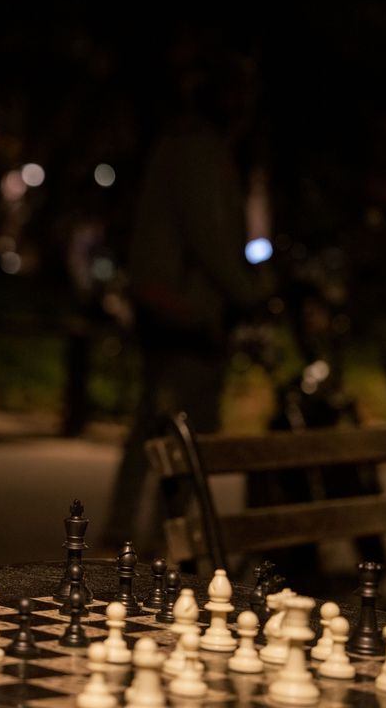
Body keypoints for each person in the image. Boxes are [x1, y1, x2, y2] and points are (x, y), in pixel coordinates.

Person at [100, 47, 270, 554]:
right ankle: (153, 542)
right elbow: (208, 236)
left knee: (158, 423)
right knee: (177, 426)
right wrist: (248, 295)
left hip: (173, 306)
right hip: (182, 310)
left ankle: (136, 534)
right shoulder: (198, 149)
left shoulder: (187, 144)